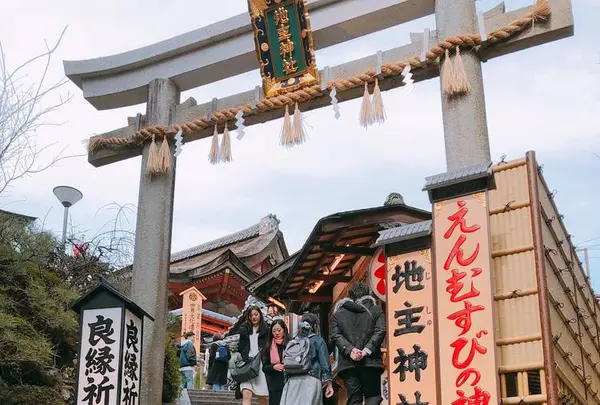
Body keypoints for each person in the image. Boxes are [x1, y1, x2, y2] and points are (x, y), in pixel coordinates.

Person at [330, 282, 386, 405]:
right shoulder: (376, 311)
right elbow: (380, 330)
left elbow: (335, 335)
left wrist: (350, 350)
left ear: (350, 295)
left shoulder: (338, 314)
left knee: (354, 399)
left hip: (349, 364)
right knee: (373, 397)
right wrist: (366, 350)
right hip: (371, 363)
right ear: (367, 293)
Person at [280, 313, 334, 405]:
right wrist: (329, 383)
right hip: (312, 378)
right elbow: (324, 363)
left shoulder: (293, 341)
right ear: (315, 326)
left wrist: (286, 380)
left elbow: (286, 362)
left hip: (292, 380)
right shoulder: (318, 340)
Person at [238, 306, 269, 405]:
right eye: (251, 315)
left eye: (256, 314)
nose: (254, 317)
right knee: (246, 394)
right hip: (248, 365)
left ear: (260, 315)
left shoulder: (266, 330)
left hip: (260, 366)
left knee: (262, 397)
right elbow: (240, 347)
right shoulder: (244, 330)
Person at [261, 319, 290, 405]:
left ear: (284, 330)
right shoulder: (268, 347)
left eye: (279, 330)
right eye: (274, 331)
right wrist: (273, 367)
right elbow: (264, 367)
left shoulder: (291, 344)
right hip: (275, 383)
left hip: (289, 381)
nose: (276, 333)